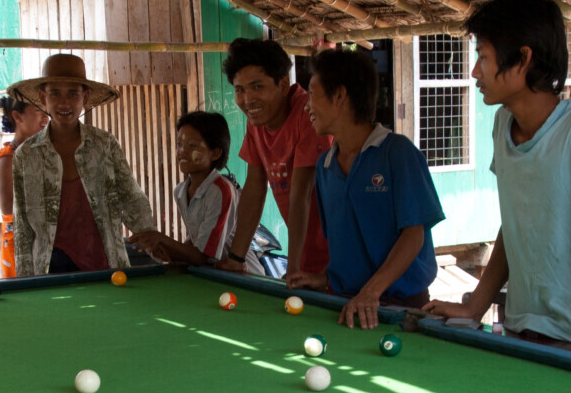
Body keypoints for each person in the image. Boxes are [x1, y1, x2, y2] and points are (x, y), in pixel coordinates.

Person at [423, 0, 571, 363]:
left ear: (524, 58)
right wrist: (475, 306)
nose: (475, 72)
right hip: (522, 329)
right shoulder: (502, 125)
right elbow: (514, 225)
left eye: (483, 56)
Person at [287, 48, 444, 328]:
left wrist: (370, 293)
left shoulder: (398, 154)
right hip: (346, 305)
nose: (307, 107)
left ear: (339, 96)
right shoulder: (324, 166)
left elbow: (413, 236)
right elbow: (347, 245)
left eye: (312, 95)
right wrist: (323, 276)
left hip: (401, 308)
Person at [10, 54, 157, 276]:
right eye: (55, 93)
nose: (64, 102)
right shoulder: (26, 155)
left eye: (73, 93)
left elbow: (132, 198)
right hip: (51, 267)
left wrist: (154, 242)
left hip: (105, 262)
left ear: (85, 97)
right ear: (42, 98)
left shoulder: (104, 145)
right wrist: (25, 281)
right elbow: (21, 224)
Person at [216, 38, 329, 281]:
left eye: (257, 87)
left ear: (283, 83)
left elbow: (302, 195)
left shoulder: (307, 115)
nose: (248, 100)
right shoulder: (256, 121)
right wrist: (237, 259)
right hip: (306, 258)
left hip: (334, 262)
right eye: (240, 90)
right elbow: (255, 188)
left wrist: (294, 267)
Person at [130, 111, 263, 274]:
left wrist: (161, 238)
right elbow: (197, 243)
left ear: (215, 153)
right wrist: (168, 251)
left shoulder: (221, 191)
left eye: (192, 146)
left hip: (244, 277)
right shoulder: (180, 191)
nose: (182, 152)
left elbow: (202, 256)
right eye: (179, 145)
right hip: (215, 274)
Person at [0, 91, 48, 278]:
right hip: (21, 242)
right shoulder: (8, 158)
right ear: (17, 116)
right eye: (39, 111)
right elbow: (9, 211)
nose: (46, 118)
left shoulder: (44, 151)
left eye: (46, 112)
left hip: (45, 238)